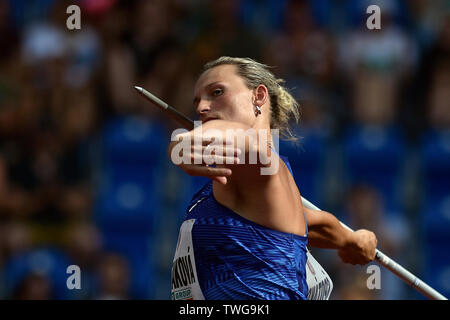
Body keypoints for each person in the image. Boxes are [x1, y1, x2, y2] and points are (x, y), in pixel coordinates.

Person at [169, 56, 377, 300]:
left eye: (216, 92)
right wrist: (353, 239)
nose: (202, 107)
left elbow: (239, 137)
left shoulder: (260, 161)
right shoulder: (253, 186)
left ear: (258, 97)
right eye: (198, 101)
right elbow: (317, 223)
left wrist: (181, 142)